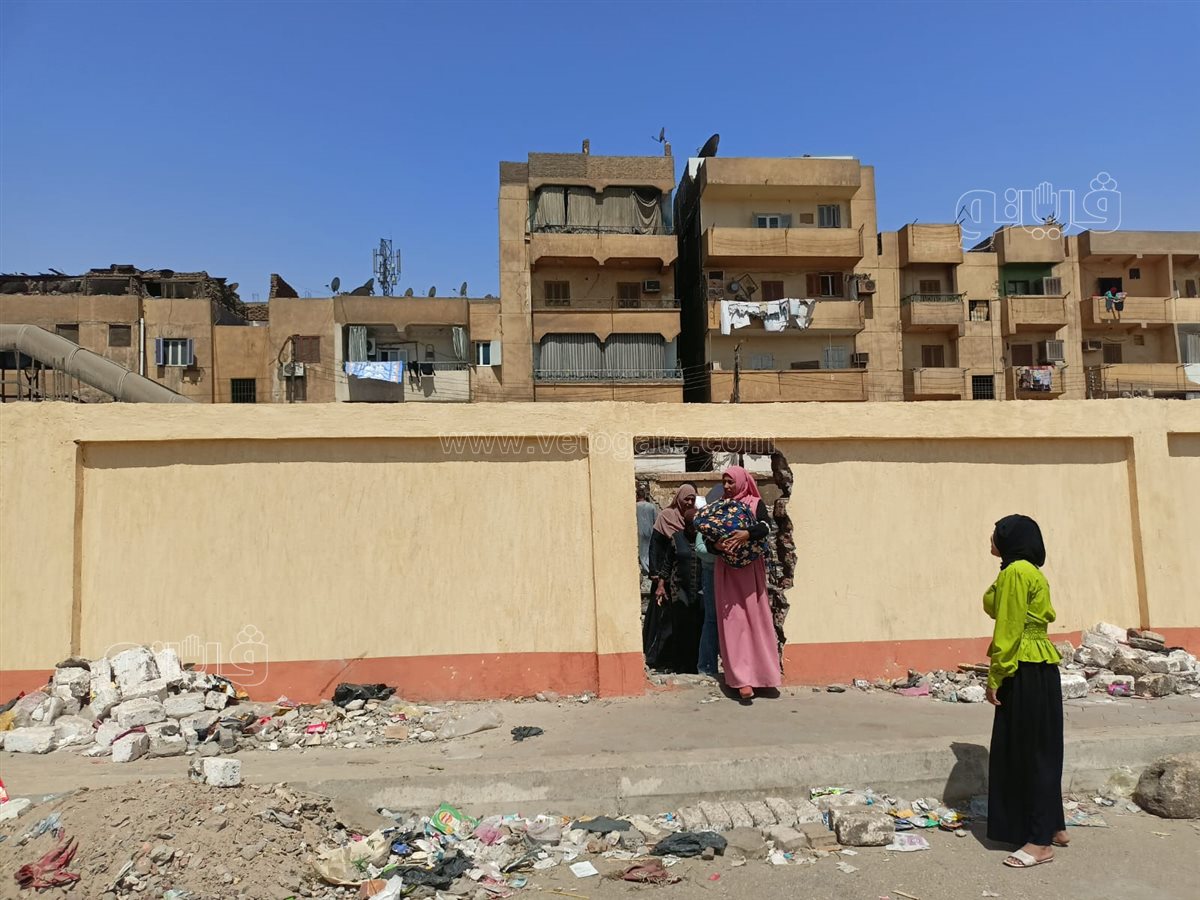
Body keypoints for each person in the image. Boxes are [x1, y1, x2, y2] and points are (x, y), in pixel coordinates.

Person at [983, 514, 1069, 869]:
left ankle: (1039, 843)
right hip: (1042, 667)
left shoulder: (1016, 572)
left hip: (1022, 667)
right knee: (1042, 747)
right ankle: (1054, 826)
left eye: (996, 534)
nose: (991, 539)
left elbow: (1008, 629)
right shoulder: (1026, 570)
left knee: (1026, 752)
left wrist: (995, 675)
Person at [712, 466, 780, 702]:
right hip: (727, 571)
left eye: (731, 482)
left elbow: (765, 526)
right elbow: (709, 537)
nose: (727, 486)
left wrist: (746, 534)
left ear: (742, 482)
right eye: (724, 482)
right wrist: (717, 546)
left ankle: (763, 674)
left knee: (756, 619)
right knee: (734, 622)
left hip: (751, 570)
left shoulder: (754, 503)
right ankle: (742, 679)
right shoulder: (720, 506)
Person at [643, 485, 702, 674]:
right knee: (664, 620)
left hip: (688, 579)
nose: (689, 502)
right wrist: (656, 574)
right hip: (666, 576)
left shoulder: (695, 519)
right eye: (686, 499)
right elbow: (655, 545)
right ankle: (660, 658)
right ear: (679, 498)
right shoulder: (666, 517)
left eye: (692, 499)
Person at [693, 494, 720, 679]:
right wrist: (721, 552)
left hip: (732, 576)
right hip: (712, 575)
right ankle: (707, 666)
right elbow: (701, 549)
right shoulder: (706, 524)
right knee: (712, 619)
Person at [635, 484, 658, 577]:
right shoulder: (651, 506)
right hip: (650, 531)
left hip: (639, 531)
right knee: (649, 550)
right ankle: (650, 568)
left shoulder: (635, 506)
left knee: (642, 552)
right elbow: (656, 520)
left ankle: (646, 569)